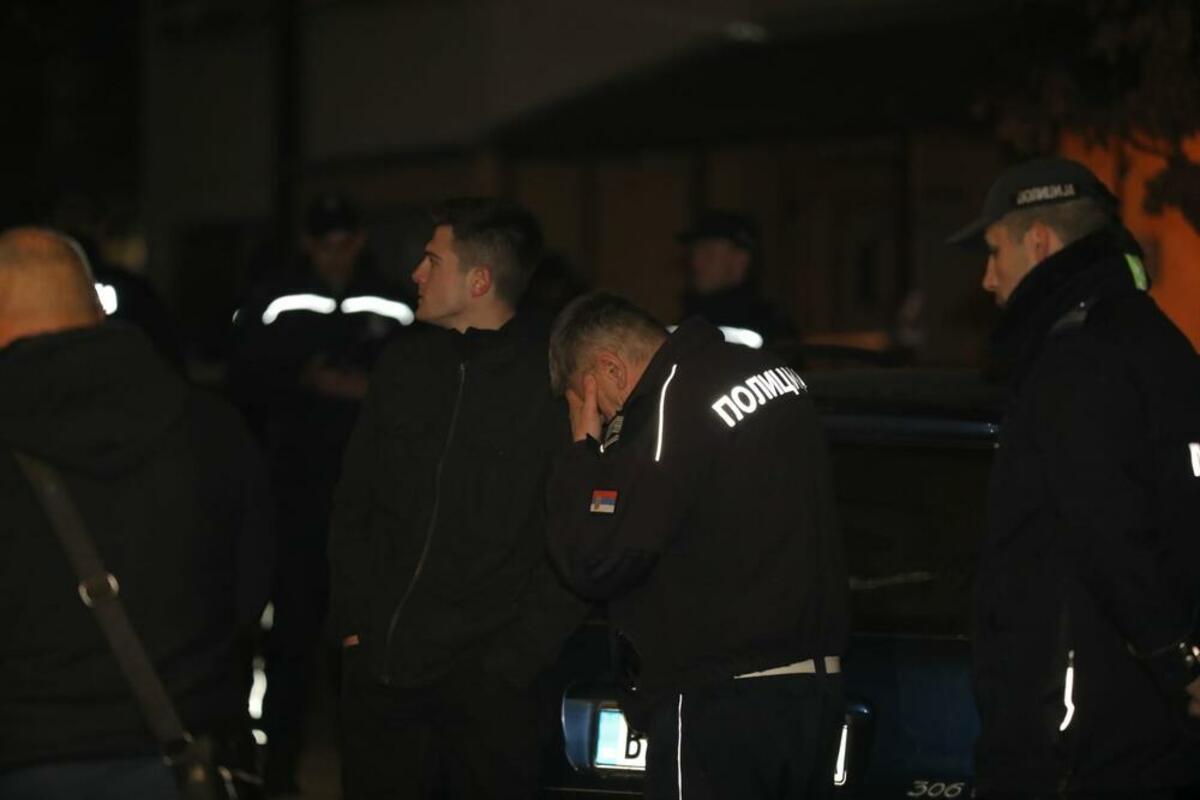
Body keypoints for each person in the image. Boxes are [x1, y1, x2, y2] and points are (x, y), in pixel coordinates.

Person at [948, 157, 1200, 798]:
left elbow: (1110, 528)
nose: (987, 278)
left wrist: (1176, 657)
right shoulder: (1155, 339)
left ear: (1038, 242)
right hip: (1134, 727)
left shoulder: (1075, 358)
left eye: (994, 251)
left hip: (1073, 737)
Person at [330, 198, 589, 799]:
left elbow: (577, 536)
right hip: (384, 677)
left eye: (433, 260)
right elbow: (354, 502)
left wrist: (513, 663)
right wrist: (354, 626)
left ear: (478, 281)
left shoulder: (553, 383)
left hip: (488, 698)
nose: (416, 273)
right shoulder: (403, 365)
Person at [0, 228, 272, 798]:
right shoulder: (211, 427)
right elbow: (251, 590)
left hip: (23, 757)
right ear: (96, 306)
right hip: (182, 757)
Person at [545, 291, 848, 800]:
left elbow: (598, 560)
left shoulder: (670, 402)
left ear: (610, 369)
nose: (607, 418)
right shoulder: (769, 371)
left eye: (593, 400)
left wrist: (582, 453)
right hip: (815, 689)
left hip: (722, 702)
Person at [229, 193, 411, 793]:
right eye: (325, 240)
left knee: (363, 646)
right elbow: (244, 379)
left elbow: (414, 383)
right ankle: (277, 774)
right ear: (308, 242)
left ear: (359, 239)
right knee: (292, 642)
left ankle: (365, 775)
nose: (336, 252)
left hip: (373, 502)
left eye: (345, 239)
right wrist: (307, 381)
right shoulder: (274, 300)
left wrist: (357, 388)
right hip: (295, 499)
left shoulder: (393, 299)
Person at [677, 209, 795, 347]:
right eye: (693, 253)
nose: (696, 263)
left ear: (740, 260)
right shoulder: (688, 325)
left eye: (708, 253)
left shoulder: (770, 334)